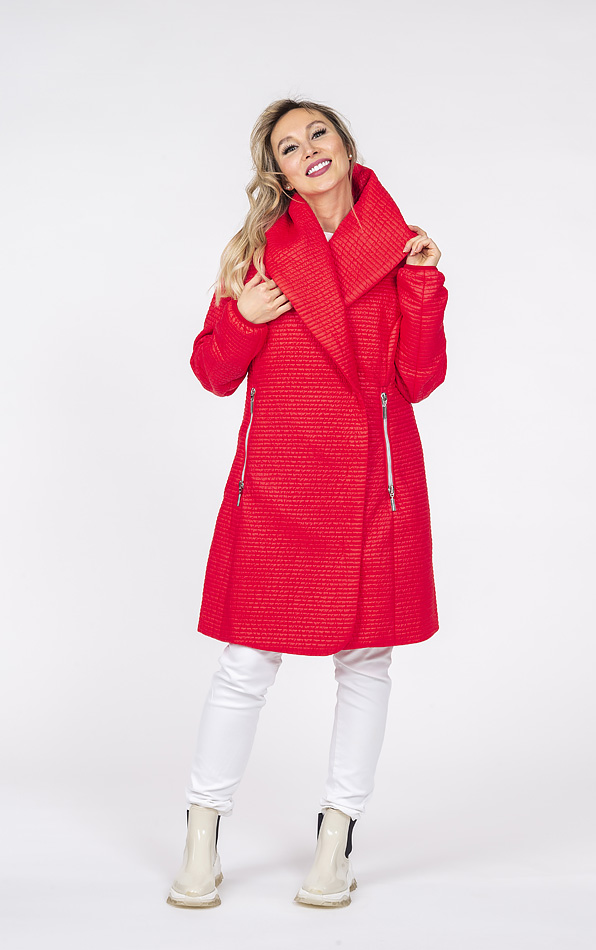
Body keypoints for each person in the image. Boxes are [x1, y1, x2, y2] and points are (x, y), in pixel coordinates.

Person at [167, 97, 449, 910]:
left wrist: (422, 287)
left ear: (345, 145)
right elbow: (214, 373)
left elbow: (420, 379)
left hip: (372, 484)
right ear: (280, 174)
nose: (308, 150)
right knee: (246, 662)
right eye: (289, 147)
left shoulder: (400, 248)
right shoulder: (257, 252)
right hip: (279, 481)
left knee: (365, 661)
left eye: (317, 133)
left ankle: (336, 839)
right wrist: (244, 319)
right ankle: (201, 832)